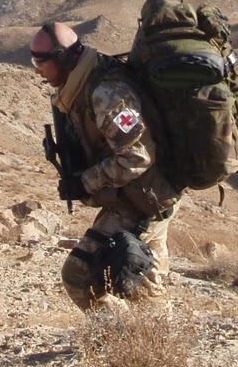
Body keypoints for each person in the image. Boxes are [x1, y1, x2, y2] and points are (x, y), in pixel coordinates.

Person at [30, 20, 178, 309]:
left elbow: (137, 157)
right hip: (145, 195)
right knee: (146, 286)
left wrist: (85, 182)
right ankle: (149, 343)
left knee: (79, 274)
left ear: (61, 58)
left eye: (40, 62)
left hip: (146, 199)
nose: (37, 70)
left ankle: (120, 344)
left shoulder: (106, 94)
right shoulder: (85, 83)